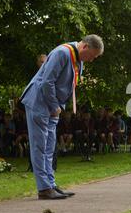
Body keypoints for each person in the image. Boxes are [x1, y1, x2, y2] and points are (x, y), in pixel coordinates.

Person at [20, 34, 104, 200]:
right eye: (92, 56)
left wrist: (58, 107)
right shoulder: (62, 53)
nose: (91, 60)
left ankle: (51, 184)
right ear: (85, 46)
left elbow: (66, 85)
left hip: (52, 107)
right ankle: (43, 188)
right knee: (40, 146)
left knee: (50, 146)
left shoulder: (77, 59)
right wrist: (54, 106)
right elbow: (47, 82)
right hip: (39, 102)